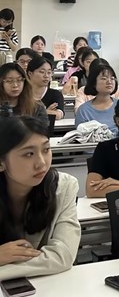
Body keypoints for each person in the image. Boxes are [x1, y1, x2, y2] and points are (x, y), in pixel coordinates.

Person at [0, 116, 80, 281]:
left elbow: (63, 255)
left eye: (46, 149)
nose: (42, 163)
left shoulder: (64, 187)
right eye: (29, 154)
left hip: (44, 287)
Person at [74, 62, 119, 133]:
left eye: (112, 78)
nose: (109, 81)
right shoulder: (84, 110)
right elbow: (81, 136)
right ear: (94, 83)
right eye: (104, 78)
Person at [27, 56, 64, 121]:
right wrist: (45, 111)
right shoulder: (22, 94)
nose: (46, 76)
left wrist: (35, 113)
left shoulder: (55, 94)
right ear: (30, 73)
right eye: (42, 72)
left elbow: (58, 115)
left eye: (49, 72)